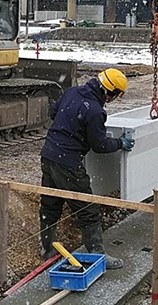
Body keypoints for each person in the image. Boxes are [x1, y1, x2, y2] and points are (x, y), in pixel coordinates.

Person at [39, 68, 134, 269]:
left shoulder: (73, 92)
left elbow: (53, 112)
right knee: (87, 209)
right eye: (117, 95)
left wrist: (69, 127)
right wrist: (119, 143)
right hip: (68, 163)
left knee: (50, 204)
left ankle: (47, 249)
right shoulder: (95, 111)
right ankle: (98, 256)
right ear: (111, 92)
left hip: (48, 154)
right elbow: (100, 146)